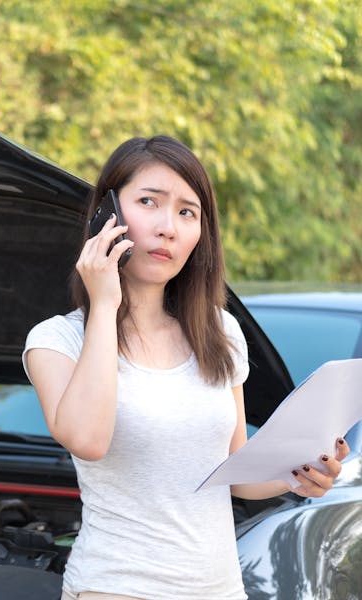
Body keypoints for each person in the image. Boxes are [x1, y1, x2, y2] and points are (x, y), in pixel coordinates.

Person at [22, 135, 349, 600]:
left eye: (187, 212)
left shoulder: (220, 331)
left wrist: (301, 476)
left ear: (201, 234)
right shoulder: (57, 340)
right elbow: (89, 440)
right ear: (107, 215)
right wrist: (105, 302)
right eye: (148, 202)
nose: (168, 227)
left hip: (221, 589)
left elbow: (234, 472)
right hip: (116, 588)